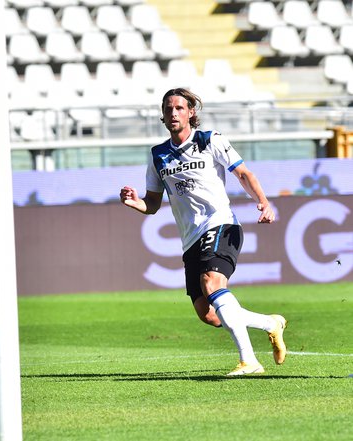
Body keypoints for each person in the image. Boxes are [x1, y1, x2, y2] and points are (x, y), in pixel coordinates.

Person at [119, 88, 287, 376]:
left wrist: (263, 201)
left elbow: (243, 173)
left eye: (179, 108)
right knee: (209, 314)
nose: (173, 113)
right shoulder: (158, 156)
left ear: (191, 112)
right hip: (190, 238)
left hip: (220, 223)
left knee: (212, 282)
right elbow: (153, 204)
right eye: (168, 109)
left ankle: (249, 361)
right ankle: (270, 323)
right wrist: (135, 203)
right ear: (162, 114)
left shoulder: (210, 140)